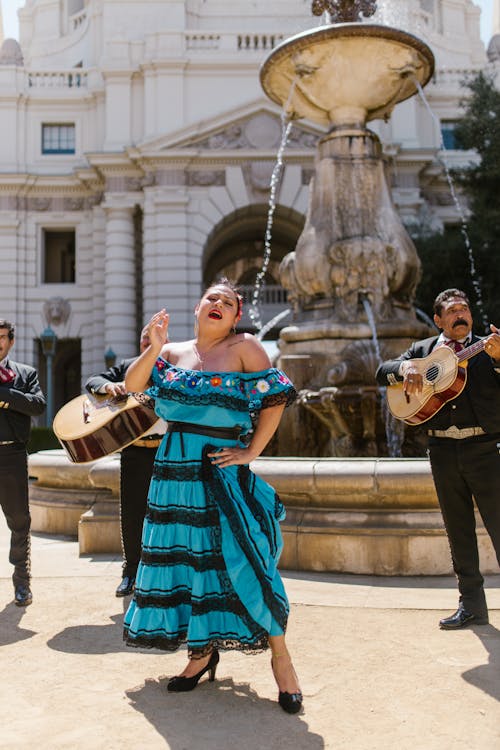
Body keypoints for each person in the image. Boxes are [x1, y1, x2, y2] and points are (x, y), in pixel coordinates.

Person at [123, 279, 303, 714]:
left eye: (229, 302)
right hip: (173, 471)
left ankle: (282, 659)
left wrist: (252, 451)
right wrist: (154, 346)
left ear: (236, 316)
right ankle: (200, 654)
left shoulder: (245, 348)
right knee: (189, 560)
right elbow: (132, 387)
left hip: (222, 467)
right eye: (212, 298)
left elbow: (276, 397)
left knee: (247, 557)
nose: (219, 304)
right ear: (198, 306)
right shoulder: (171, 353)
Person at [376, 289, 500, 629]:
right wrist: (406, 369)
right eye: (453, 310)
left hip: (486, 449)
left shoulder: (490, 346)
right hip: (443, 451)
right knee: (458, 531)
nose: (461, 315)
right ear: (438, 319)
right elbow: (380, 372)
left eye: (465, 309)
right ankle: (472, 605)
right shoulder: (422, 351)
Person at [85, 326, 166, 597]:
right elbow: (93, 380)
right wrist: (109, 387)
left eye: (151, 340)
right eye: (144, 340)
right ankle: (130, 572)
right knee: (132, 514)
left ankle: (165, 577)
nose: (147, 344)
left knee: (169, 514)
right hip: (135, 451)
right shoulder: (127, 366)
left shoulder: (173, 367)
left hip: (168, 451)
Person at [0, 319, 46, 606]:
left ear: (11, 341)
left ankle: (22, 582)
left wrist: (4, 396)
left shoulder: (26, 374)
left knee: (19, 521)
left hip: (12, 455)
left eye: (2, 337)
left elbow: (37, 405)